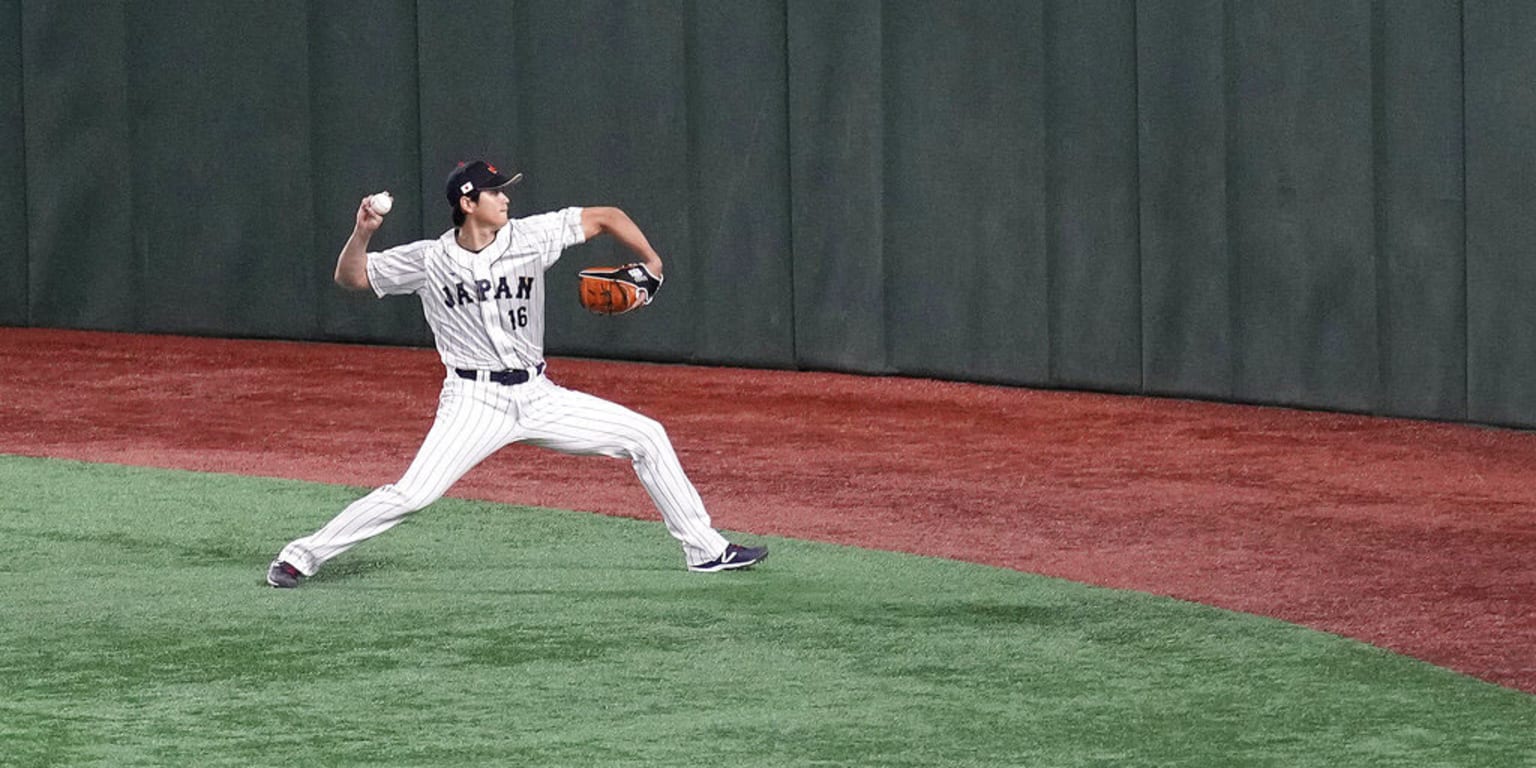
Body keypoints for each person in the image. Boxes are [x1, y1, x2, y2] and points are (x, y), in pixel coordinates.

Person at [266, 160, 766, 587]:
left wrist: (652, 262)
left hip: (538, 395)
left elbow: (607, 216)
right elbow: (351, 277)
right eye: (495, 191)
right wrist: (363, 233)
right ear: (467, 203)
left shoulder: (530, 237)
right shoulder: (430, 259)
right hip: (472, 402)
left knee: (647, 436)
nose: (505, 198)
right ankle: (301, 555)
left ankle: (705, 549)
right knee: (412, 494)